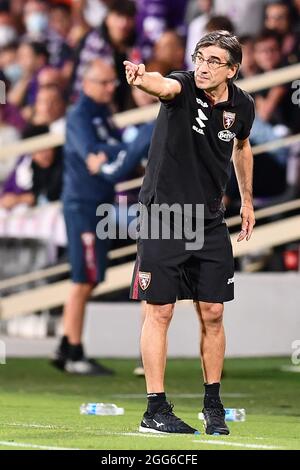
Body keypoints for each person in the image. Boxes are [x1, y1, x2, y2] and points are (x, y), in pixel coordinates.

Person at [124, 30, 256, 435]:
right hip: (165, 214)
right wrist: (142, 78)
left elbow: (242, 146)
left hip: (210, 219)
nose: (203, 65)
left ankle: (213, 405)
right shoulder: (181, 85)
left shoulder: (242, 105)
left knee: (214, 312)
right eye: (201, 56)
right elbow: (160, 84)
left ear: (232, 70)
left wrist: (247, 199)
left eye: (214, 60)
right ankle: (155, 409)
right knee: (159, 310)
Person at [52, 58, 152, 376]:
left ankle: (67, 345)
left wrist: (120, 152)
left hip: (99, 204)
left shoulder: (102, 114)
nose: (112, 88)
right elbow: (93, 153)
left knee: (91, 277)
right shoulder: (80, 115)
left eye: (113, 82)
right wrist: (125, 151)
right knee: (84, 278)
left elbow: (109, 151)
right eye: (105, 82)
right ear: (87, 83)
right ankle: (73, 350)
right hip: (83, 204)